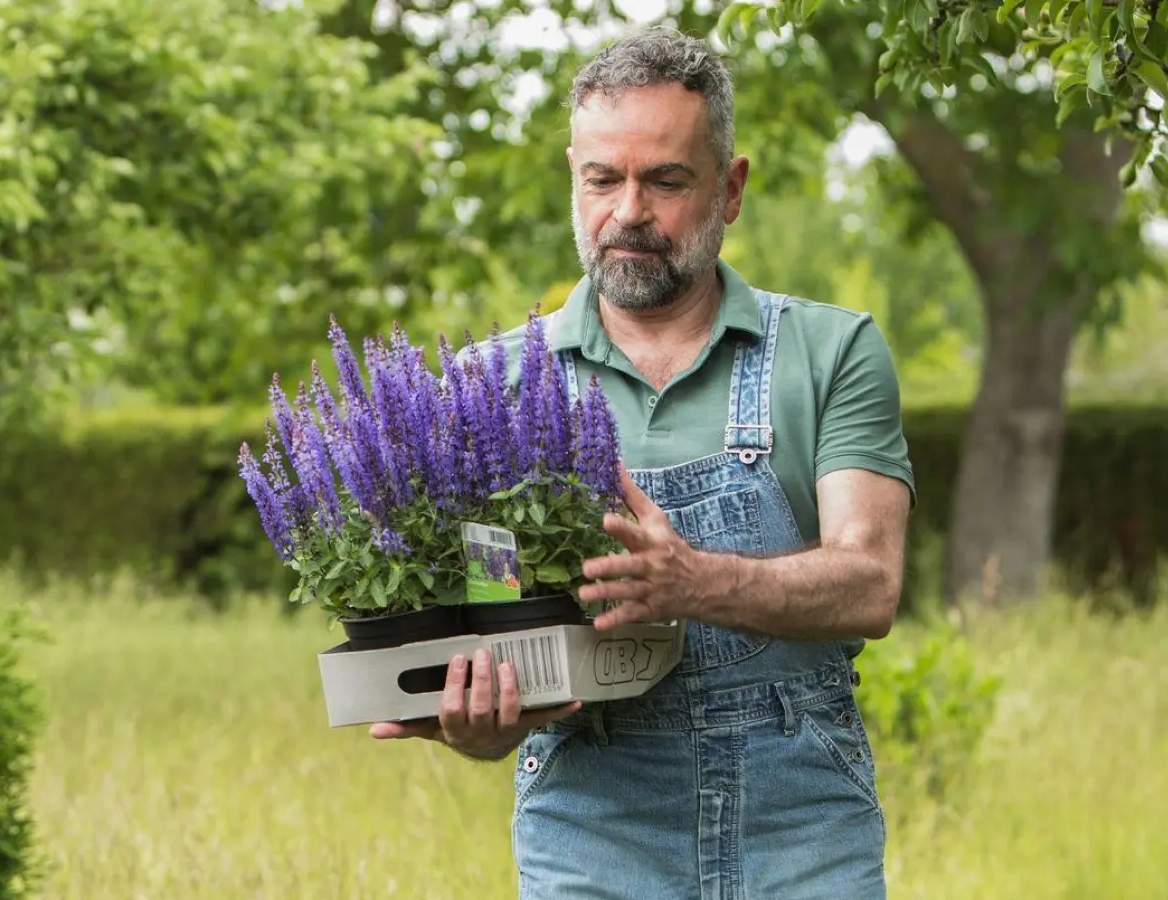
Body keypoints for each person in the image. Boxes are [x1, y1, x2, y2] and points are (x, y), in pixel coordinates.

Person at [370, 26, 915, 899]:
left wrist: (691, 582)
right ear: (573, 182)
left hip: (803, 821)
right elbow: (490, 615)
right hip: (593, 827)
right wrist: (481, 722)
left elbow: (871, 583)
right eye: (602, 179)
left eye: (665, 180)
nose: (629, 211)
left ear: (729, 189)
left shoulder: (831, 350)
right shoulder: (489, 388)